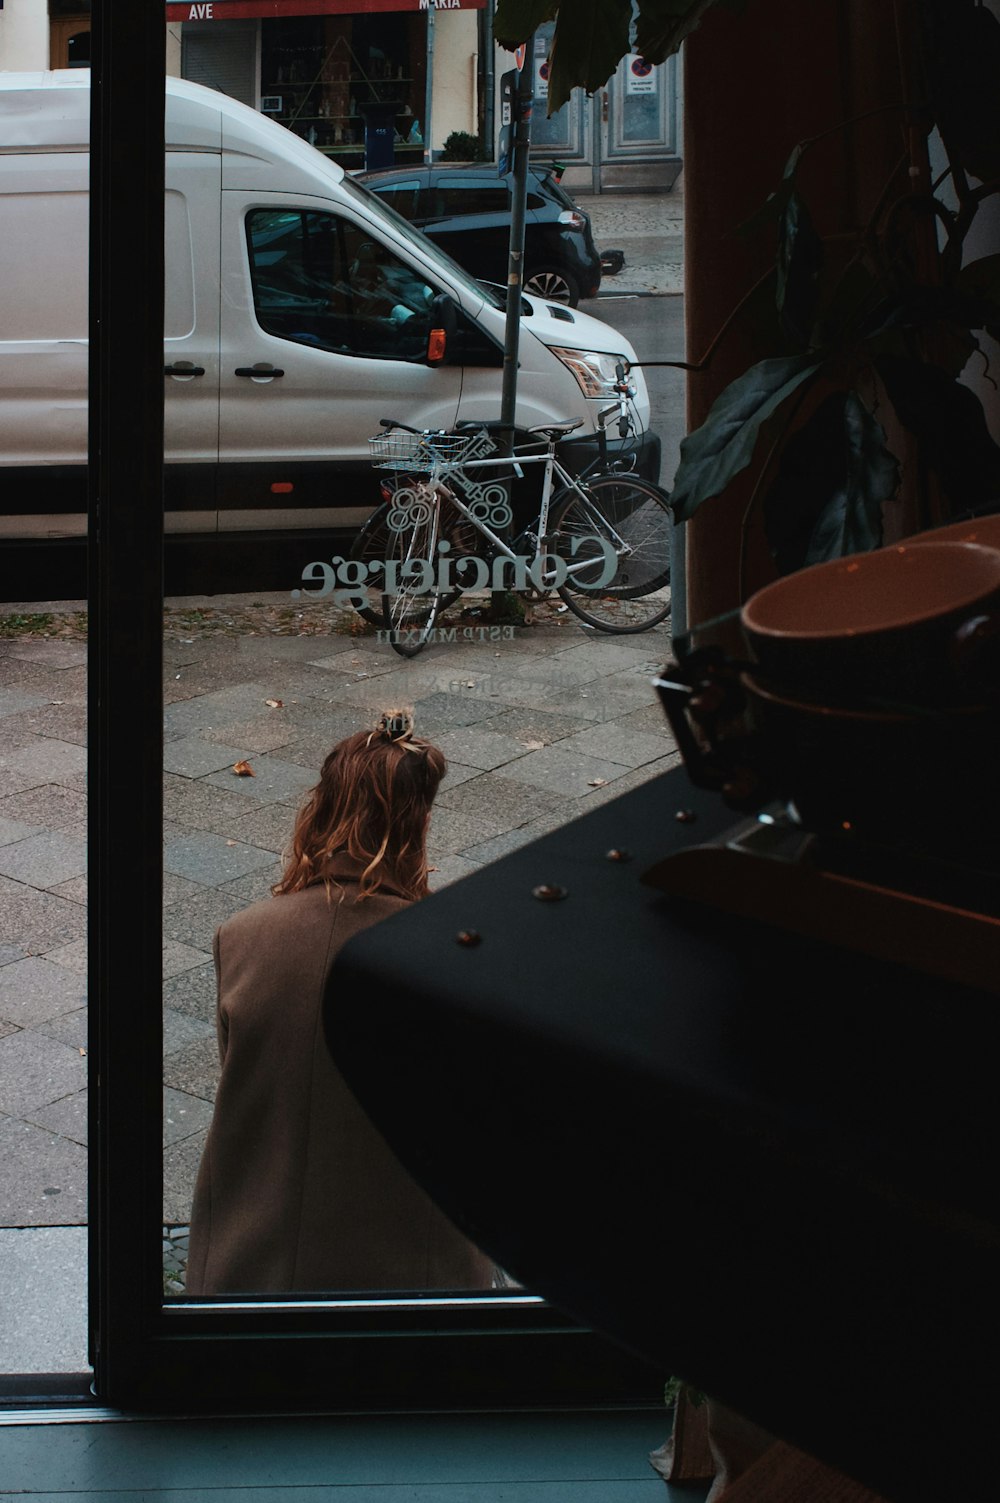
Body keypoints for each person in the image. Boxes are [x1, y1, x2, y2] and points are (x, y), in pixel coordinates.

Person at [185, 710, 494, 1295]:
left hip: (252, 1259)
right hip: (416, 1271)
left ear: (322, 808)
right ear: (419, 822)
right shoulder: (454, 948)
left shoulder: (244, 934)